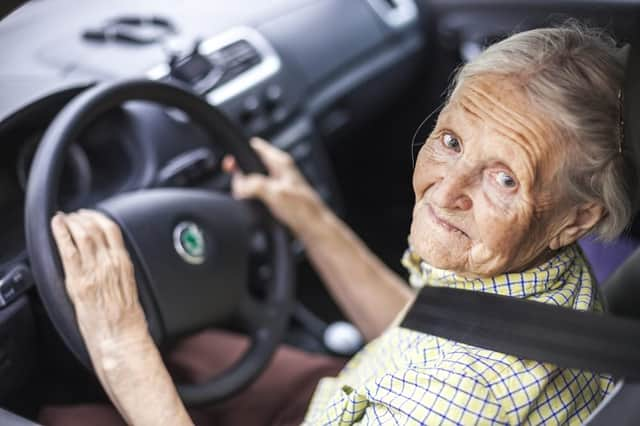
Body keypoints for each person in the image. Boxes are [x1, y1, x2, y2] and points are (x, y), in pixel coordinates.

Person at [41, 24, 630, 425]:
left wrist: (120, 340)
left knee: (60, 412)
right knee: (195, 352)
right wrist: (309, 216)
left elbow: (446, 383)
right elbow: (423, 326)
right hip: (360, 390)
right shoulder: (533, 286)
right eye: (450, 140)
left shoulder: (454, 398)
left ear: (578, 218)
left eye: (504, 179)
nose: (446, 192)